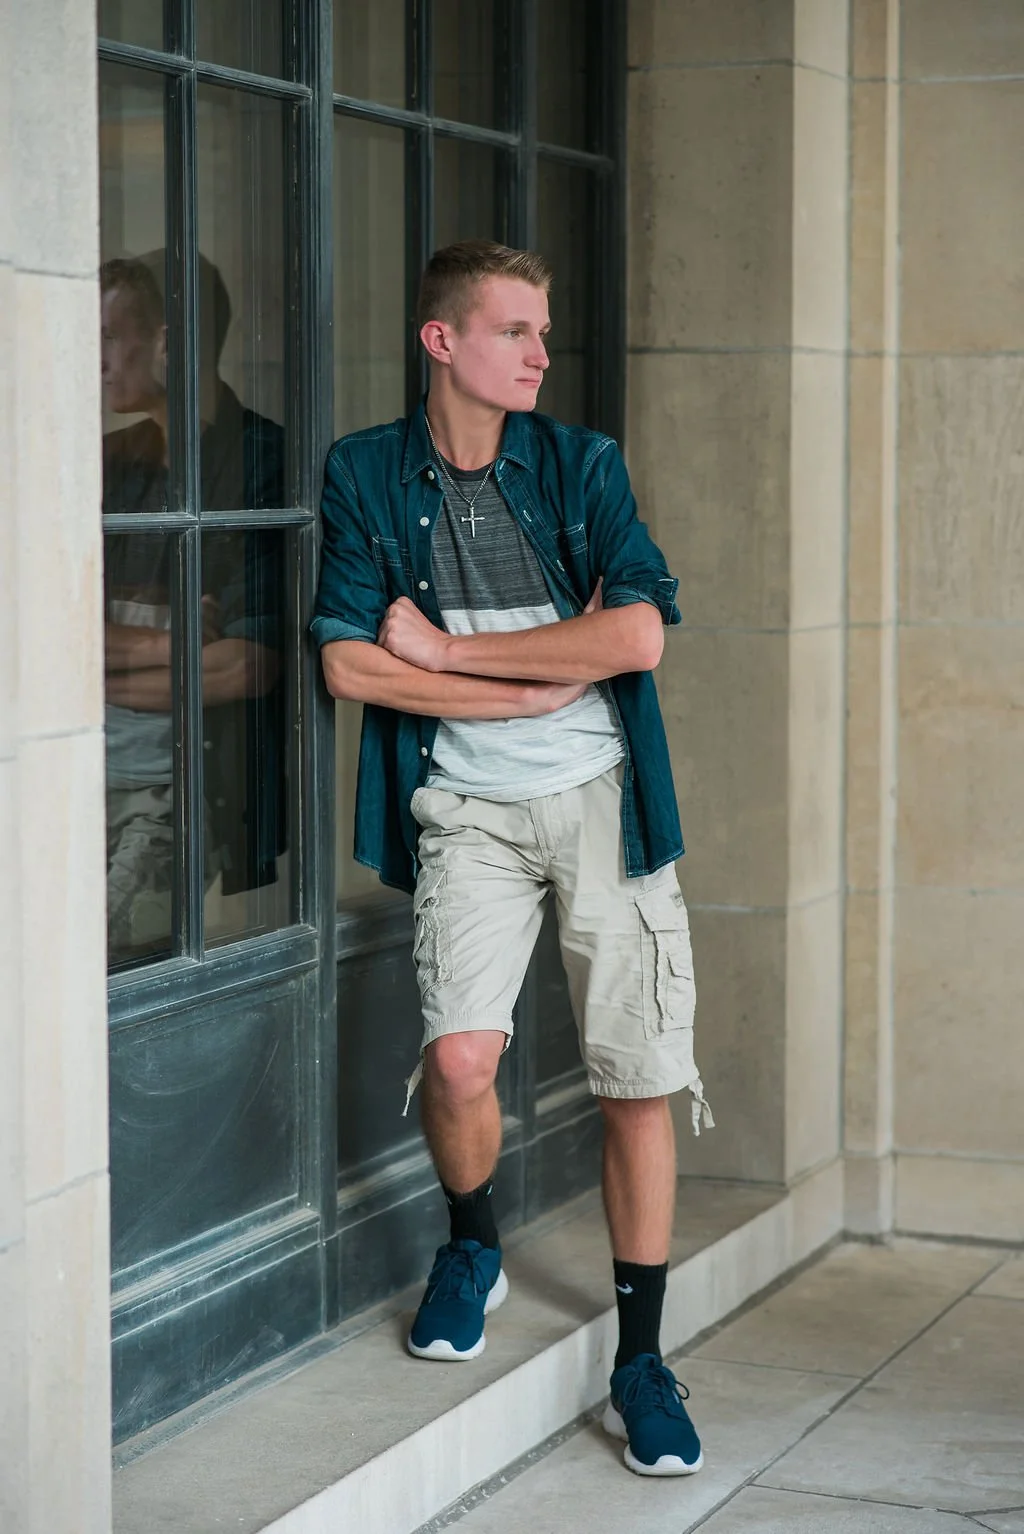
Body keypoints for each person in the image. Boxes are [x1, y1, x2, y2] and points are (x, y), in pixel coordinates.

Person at [312, 241, 713, 1478]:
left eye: (542, 332)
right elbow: (344, 663)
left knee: (636, 1079)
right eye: (517, 331)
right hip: (465, 811)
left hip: (600, 797)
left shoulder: (580, 464)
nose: (542, 353)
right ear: (444, 342)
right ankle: (471, 1241)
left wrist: (443, 661)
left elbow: (638, 634)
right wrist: (531, 679)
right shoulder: (368, 474)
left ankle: (642, 1358)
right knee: (461, 1057)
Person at [101, 252, 287, 965]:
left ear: (169, 341)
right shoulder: (109, 461)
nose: (97, 359)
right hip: (74, 778)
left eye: (110, 336)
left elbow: (243, 668)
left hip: (183, 792)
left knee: (112, 977)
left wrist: (90, 673)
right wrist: (176, 639)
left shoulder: (264, 463)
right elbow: (41, 640)